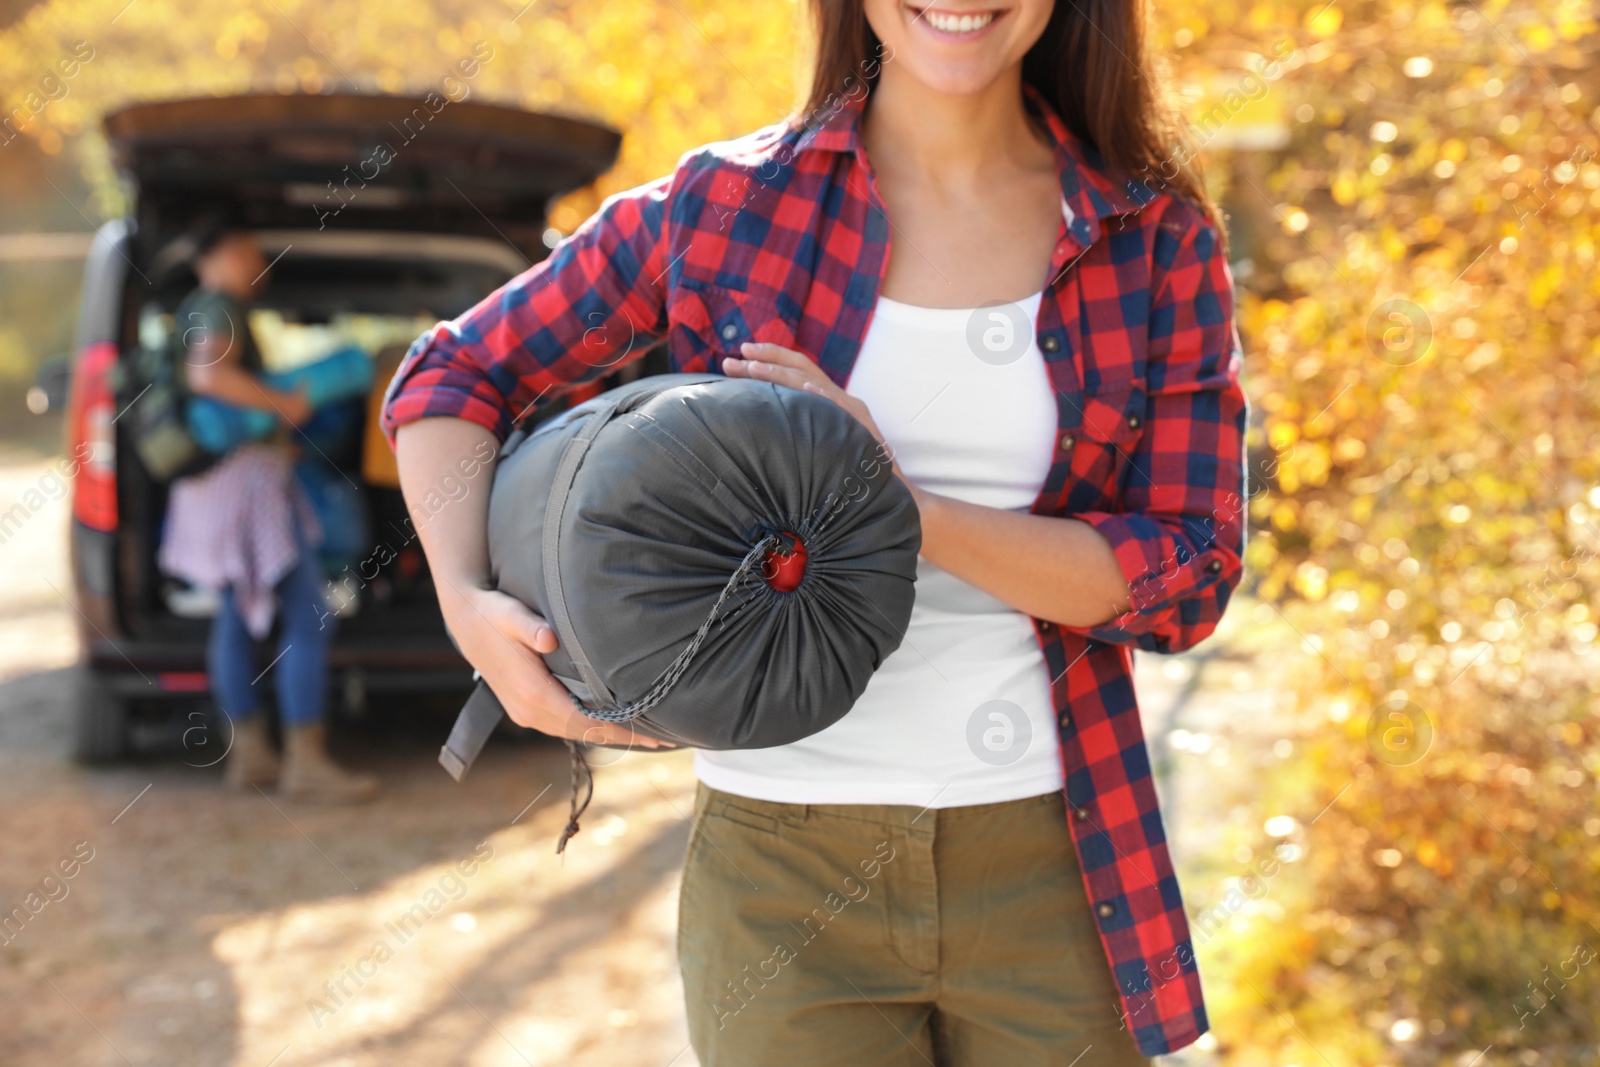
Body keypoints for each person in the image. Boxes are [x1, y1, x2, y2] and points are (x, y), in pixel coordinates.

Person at [384, 0, 1246, 1061]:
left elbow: (1186, 574)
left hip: (1054, 859)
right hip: (778, 876)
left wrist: (894, 502)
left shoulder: (1149, 238)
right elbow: (452, 374)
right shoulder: (726, 208)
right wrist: (469, 606)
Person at [159, 220, 378, 804]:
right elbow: (207, 374)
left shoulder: (195, 308)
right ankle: (305, 764)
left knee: (235, 611)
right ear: (221, 252)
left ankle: (250, 756)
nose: (262, 263)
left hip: (210, 485)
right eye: (252, 251)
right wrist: (282, 402)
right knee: (310, 616)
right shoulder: (217, 305)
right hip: (245, 486)